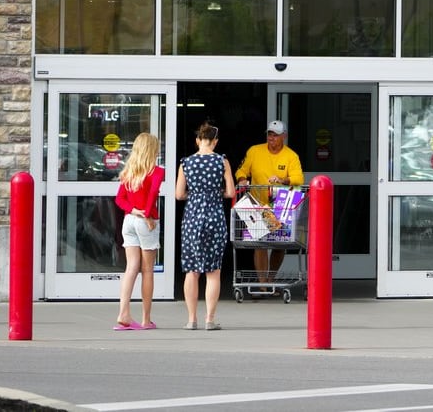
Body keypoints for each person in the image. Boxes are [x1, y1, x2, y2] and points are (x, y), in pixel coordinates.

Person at [176, 121, 235, 331]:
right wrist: (216, 193)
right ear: (215, 142)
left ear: (197, 140)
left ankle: (191, 320)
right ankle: (210, 319)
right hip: (215, 218)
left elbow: (178, 194)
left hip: (192, 219)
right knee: (213, 271)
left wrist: (195, 195)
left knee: (192, 271)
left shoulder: (186, 163)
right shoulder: (222, 161)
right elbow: (230, 192)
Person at [234, 120, 304, 283]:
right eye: (269, 134)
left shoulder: (291, 156)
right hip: (258, 206)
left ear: (284, 136)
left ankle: (270, 279)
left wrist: (282, 179)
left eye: (276, 135)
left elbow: (299, 178)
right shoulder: (255, 151)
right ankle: (262, 284)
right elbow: (241, 170)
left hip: (280, 207)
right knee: (260, 244)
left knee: (280, 245)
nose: (271, 138)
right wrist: (242, 179)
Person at [113, 132, 164, 331]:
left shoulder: (129, 172)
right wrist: (147, 215)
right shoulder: (157, 172)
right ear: (152, 150)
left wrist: (134, 210)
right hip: (145, 222)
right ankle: (146, 319)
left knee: (131, 268)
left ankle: (123, 313)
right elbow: (152, 195)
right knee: (147, 270)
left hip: (129, 221)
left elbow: (119, 199)